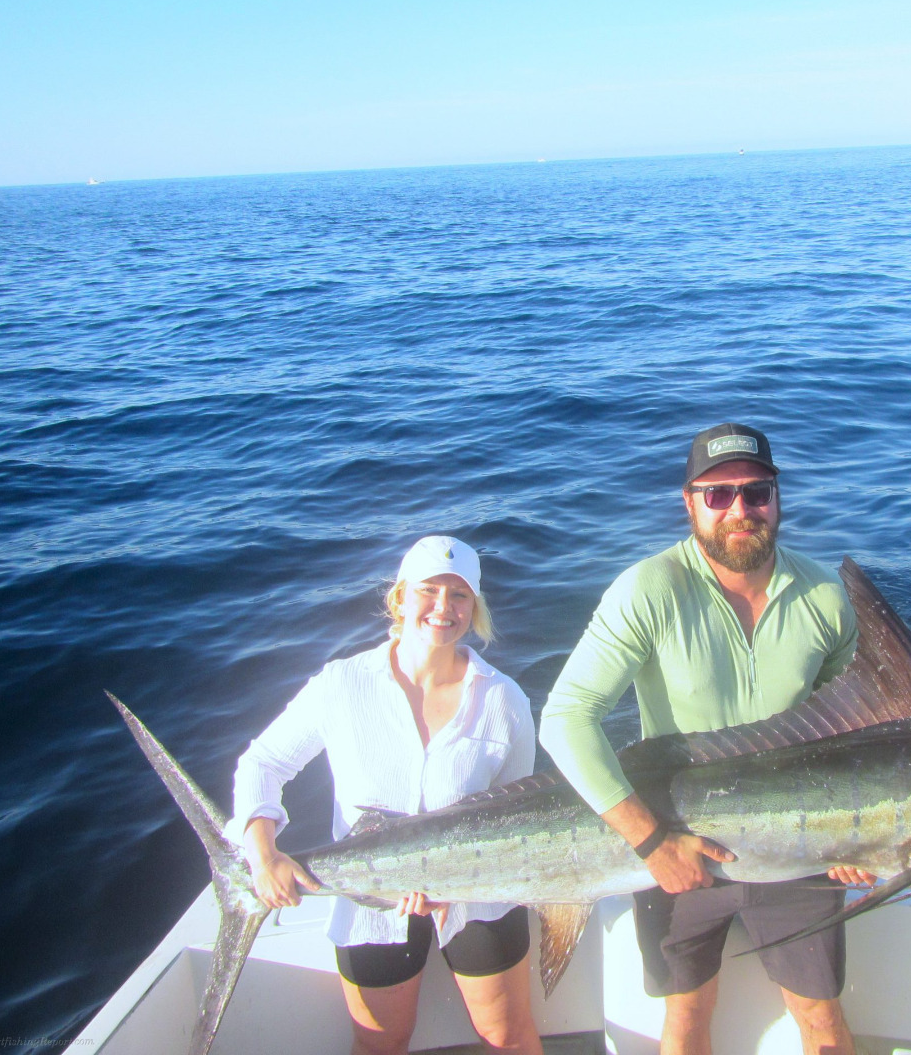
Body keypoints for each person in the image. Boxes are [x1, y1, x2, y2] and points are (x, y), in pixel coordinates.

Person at [539, 423, 865, 1055]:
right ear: (688, 502)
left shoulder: (827, 593)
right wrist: (651, 841)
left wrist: (856, 837)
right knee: (686, 1019)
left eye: (756, 491)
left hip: (799, 846)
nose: (740, 510)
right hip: (675, 844)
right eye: (718, 496)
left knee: (822, 1021)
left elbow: (850, 733)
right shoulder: (648, 589)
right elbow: (565, 718)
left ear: (778, 497)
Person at [227, 536, 544, 1055]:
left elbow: (515, 813)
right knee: (382, 1042)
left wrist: (453, 883)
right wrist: (263, 856)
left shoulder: (504, 699)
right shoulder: (342, 684)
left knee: (508, 1036)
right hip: (369, 904)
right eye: (428, 591)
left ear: (476, 609)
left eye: (460, 595)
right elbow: (263, 763)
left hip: (480, 895)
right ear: (399, 599)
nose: (444, 608)